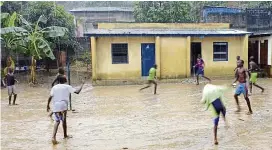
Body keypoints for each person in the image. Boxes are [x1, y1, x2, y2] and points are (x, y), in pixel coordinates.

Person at [47, 75, 84, 144]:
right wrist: (82, 84)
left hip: (56, 106)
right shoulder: (67, 86)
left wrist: (47, 106)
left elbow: (50, 97)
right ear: (64, 80)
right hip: (63, 106)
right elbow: (77, 92)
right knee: (64, 121)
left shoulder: (54, 87)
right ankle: (63, 136)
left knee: (57, 121)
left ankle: (55, 137)